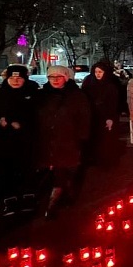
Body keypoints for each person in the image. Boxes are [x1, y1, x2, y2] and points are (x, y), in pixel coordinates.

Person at [35, 65, 91, 218]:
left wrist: (81, 138)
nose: (55, 80)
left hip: (68, 140)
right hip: (47, 141)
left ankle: (54, 205)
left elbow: (84, 117)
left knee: (64, 171)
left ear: (66, 78)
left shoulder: (76, 95)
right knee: (52, 172)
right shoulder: (42, 95)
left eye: (59, 77)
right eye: (51, 77)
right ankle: (61, 196)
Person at [0, 65, 39, 217]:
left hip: (26, 139)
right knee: (7, 170)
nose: (16, 81)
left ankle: (28, 198)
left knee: (26, 169)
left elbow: (37, 114)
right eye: (12, 78)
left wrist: (22, 124)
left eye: (19, 78)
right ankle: (9, 200)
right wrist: (0, 122)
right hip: (4, 140)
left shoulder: (32, 93)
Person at [81, 61, 121, 168]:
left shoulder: (110, 86)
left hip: (105, 116)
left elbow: (113, 103)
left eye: (100, 72)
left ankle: (106, 162)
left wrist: (110, 117)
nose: (98, 74)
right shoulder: (89, 84)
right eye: (96, 72)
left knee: (106, 141)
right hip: (92, 117)